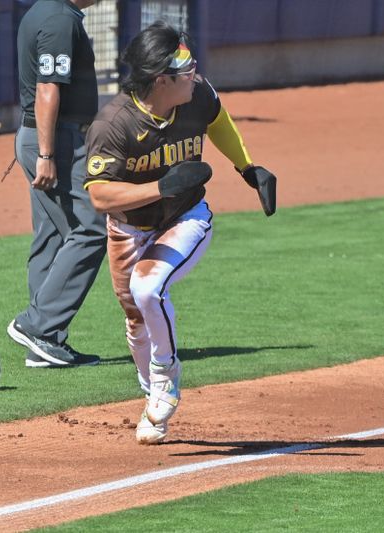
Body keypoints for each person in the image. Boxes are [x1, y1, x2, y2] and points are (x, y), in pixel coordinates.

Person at [83, 21, 277, 444]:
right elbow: (99, 195)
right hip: (128, 230)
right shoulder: (113, 125)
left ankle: (165, 376)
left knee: (147, 288)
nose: (195, 74)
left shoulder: (196, 95)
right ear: (160, 79)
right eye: (185, 69)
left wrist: (248, 167)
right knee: (135, 322)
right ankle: (153, 396)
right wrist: (157, 186)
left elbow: (218, 119)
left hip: (185, 218)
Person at [7, 0, 107, 368]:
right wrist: (47, 155)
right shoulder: (59, 18)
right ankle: (37, 325)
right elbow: (48, 87)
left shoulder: (45, 11)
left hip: (42, 136)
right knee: (92, 229)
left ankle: (45, 343)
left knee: (50, 234)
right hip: (55, 141)